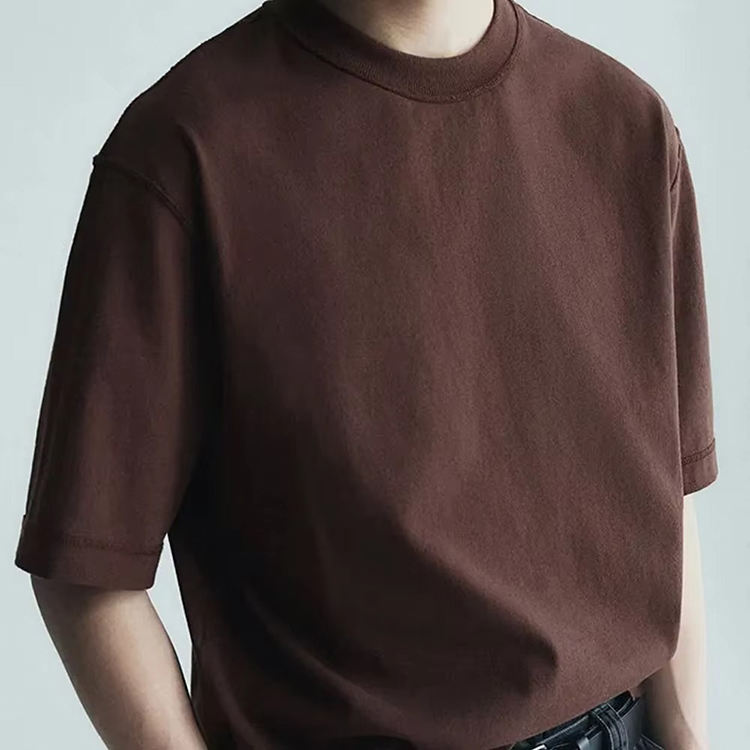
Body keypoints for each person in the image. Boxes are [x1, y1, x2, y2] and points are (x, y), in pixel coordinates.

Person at [14, 0, 718, 748]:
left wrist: (686, 733)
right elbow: (87, 566)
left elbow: (664, 494)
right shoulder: (185, 150)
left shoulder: (628, 124)